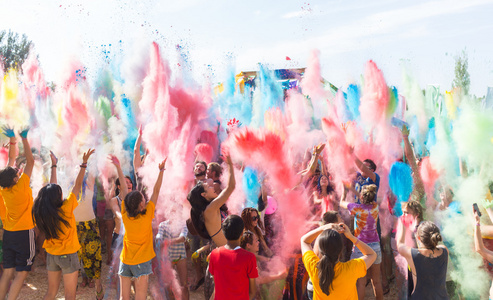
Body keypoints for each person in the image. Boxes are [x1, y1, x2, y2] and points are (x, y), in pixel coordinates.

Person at [32, 148, 95, 300]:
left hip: (52, 255)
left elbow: (51, 188)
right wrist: (84, 164)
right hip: (68, 256)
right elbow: (78, 184)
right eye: (60, 192)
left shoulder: (44, 210)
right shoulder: (67, 207)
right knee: (70, 295)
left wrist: (54, 166)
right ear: (57, 196)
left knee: (50, 293)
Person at [119, 157, 166, 300]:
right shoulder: (147, 215)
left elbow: (123, 190)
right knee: (140, 297)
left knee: (123, 297)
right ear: (141, 205)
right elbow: (156, 191)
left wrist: (118, 168)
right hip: (142, 262)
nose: (145, 200)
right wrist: (161, 171)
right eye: (143, 199)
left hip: (125, 260)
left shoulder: (125, 215)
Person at [0, 127, 36, 300]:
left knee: (7, 273)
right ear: (15, 179)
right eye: (16, 173)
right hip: (24, 234)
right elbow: (30, 162)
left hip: (8, 234)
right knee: (21, 273)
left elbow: (11, 163)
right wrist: (24, 139)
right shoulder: (22, 186)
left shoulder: (3, 190)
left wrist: (13, 140)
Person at [300, 222, 376, 299]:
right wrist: (351, 237)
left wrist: (323, 228)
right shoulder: (351, 269)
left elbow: (304, 241)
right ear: (341, 250)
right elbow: (372, 254)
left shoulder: (314, 267)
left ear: (320, 250)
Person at [340, 184, 384, 299]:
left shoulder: (356, 208)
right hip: (375, 247)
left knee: (361, 283)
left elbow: (341, 202)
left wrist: (344, 191)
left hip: (360, 248)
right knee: (377, 281)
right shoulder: (376, 207)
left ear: (362, 198)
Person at [187, 154, 235, 247]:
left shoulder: (211, 206)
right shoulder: (210, 209)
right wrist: (230, 164)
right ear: (204, 195)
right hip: (226, 254)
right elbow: (231, 187)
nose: (212, 186)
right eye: (209, 187)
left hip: (227, 251)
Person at [209, 215, 258, 300]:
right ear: (242, 233)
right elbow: (252, 291)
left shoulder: (214, 254)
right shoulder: (249, 258)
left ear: (223, 232)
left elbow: (216, 286)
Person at [397, 220, 449, 299]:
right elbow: (438, 247)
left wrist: (403, 226)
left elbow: (400, 245)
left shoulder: (413, 254)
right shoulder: (444, 251)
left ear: (418, 238)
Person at [73, 170, 103, 299]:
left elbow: (92, 169)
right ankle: (73, 288)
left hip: (90, 226)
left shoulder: (89, 184)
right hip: (74, 227)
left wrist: (89, 156)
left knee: (94, 257)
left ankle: (98, 287)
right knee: (74, 259)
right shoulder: (70, 189)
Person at [155, 218, 189, 300]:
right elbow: (159, 235)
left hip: (180, 256)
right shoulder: (162, 225)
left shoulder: (183, 224)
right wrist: (158, 239)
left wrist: (167, 242)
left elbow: (183, 238)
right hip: (168, 258)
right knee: (169, 287)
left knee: (184, 285)